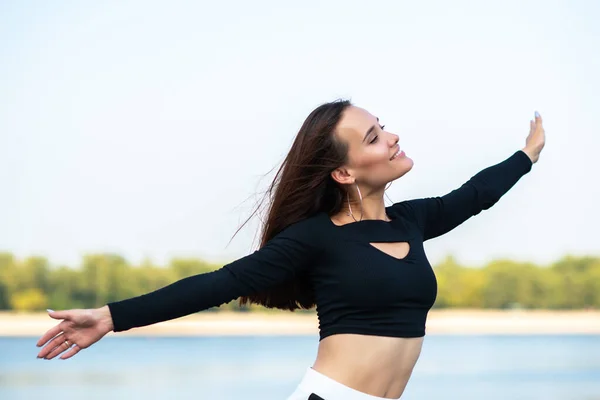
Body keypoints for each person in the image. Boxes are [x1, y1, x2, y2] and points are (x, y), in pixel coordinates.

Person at [36, 99, 545, 400]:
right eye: (373, 137)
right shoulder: (315, 238)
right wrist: (111, 317)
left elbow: (475, 196)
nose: (392, 137)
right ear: (343, 172)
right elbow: (219, 284)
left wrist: (526, 155)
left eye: (383, 126)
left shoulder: (410, 221)